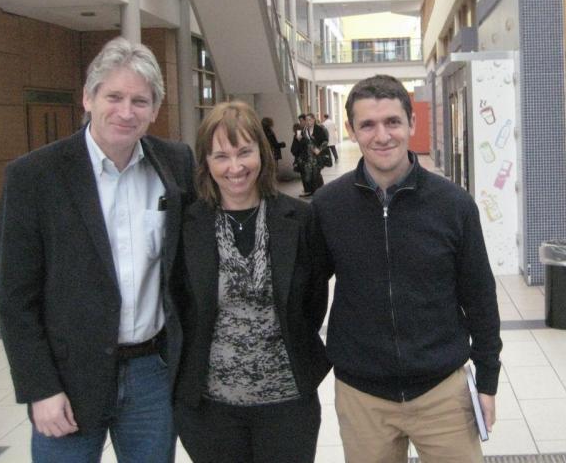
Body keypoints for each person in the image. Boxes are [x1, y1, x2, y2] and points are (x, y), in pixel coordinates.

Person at [0, 36, 195, 463]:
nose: (126, 112)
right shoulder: (35, 177)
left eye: (140, 101)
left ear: (155, 111)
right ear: (88, 98)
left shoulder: (176, 165)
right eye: (114, 96)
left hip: (152, 376)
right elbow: (16, 298)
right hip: (67, 381)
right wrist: (40, 388)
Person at [311, 75, 502, 463]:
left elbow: (480, 297)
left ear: (411, 124)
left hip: (442, 391)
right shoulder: (329, 207)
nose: (382, 136)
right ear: (351, 131)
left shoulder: (453, 205)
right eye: (368, 124)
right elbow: (306, 294)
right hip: (363, 396)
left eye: (392, 122)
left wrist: (487, 380)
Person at [173, 101, 330, 463]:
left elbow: (313, 300)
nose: (235, 167)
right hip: (209, 409)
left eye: (244, 152)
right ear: (206, 163)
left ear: (262, 152)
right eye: (221, 156)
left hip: (288, 404)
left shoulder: (300, 219)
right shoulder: (187, 225)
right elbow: (180, 303)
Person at [296, 113, 328, 198]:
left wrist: (319, 149)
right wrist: (299, 139)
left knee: (316, 174)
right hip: (308, 156)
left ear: (313, 120)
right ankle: (313, 192)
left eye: (310, 120)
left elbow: (325, 141)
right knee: (309, 174)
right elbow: (304, 143)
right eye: (307, 120)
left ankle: (321, 192)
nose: (308, 122)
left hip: (317, 156)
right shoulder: (304, 130)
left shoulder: (319, 129)